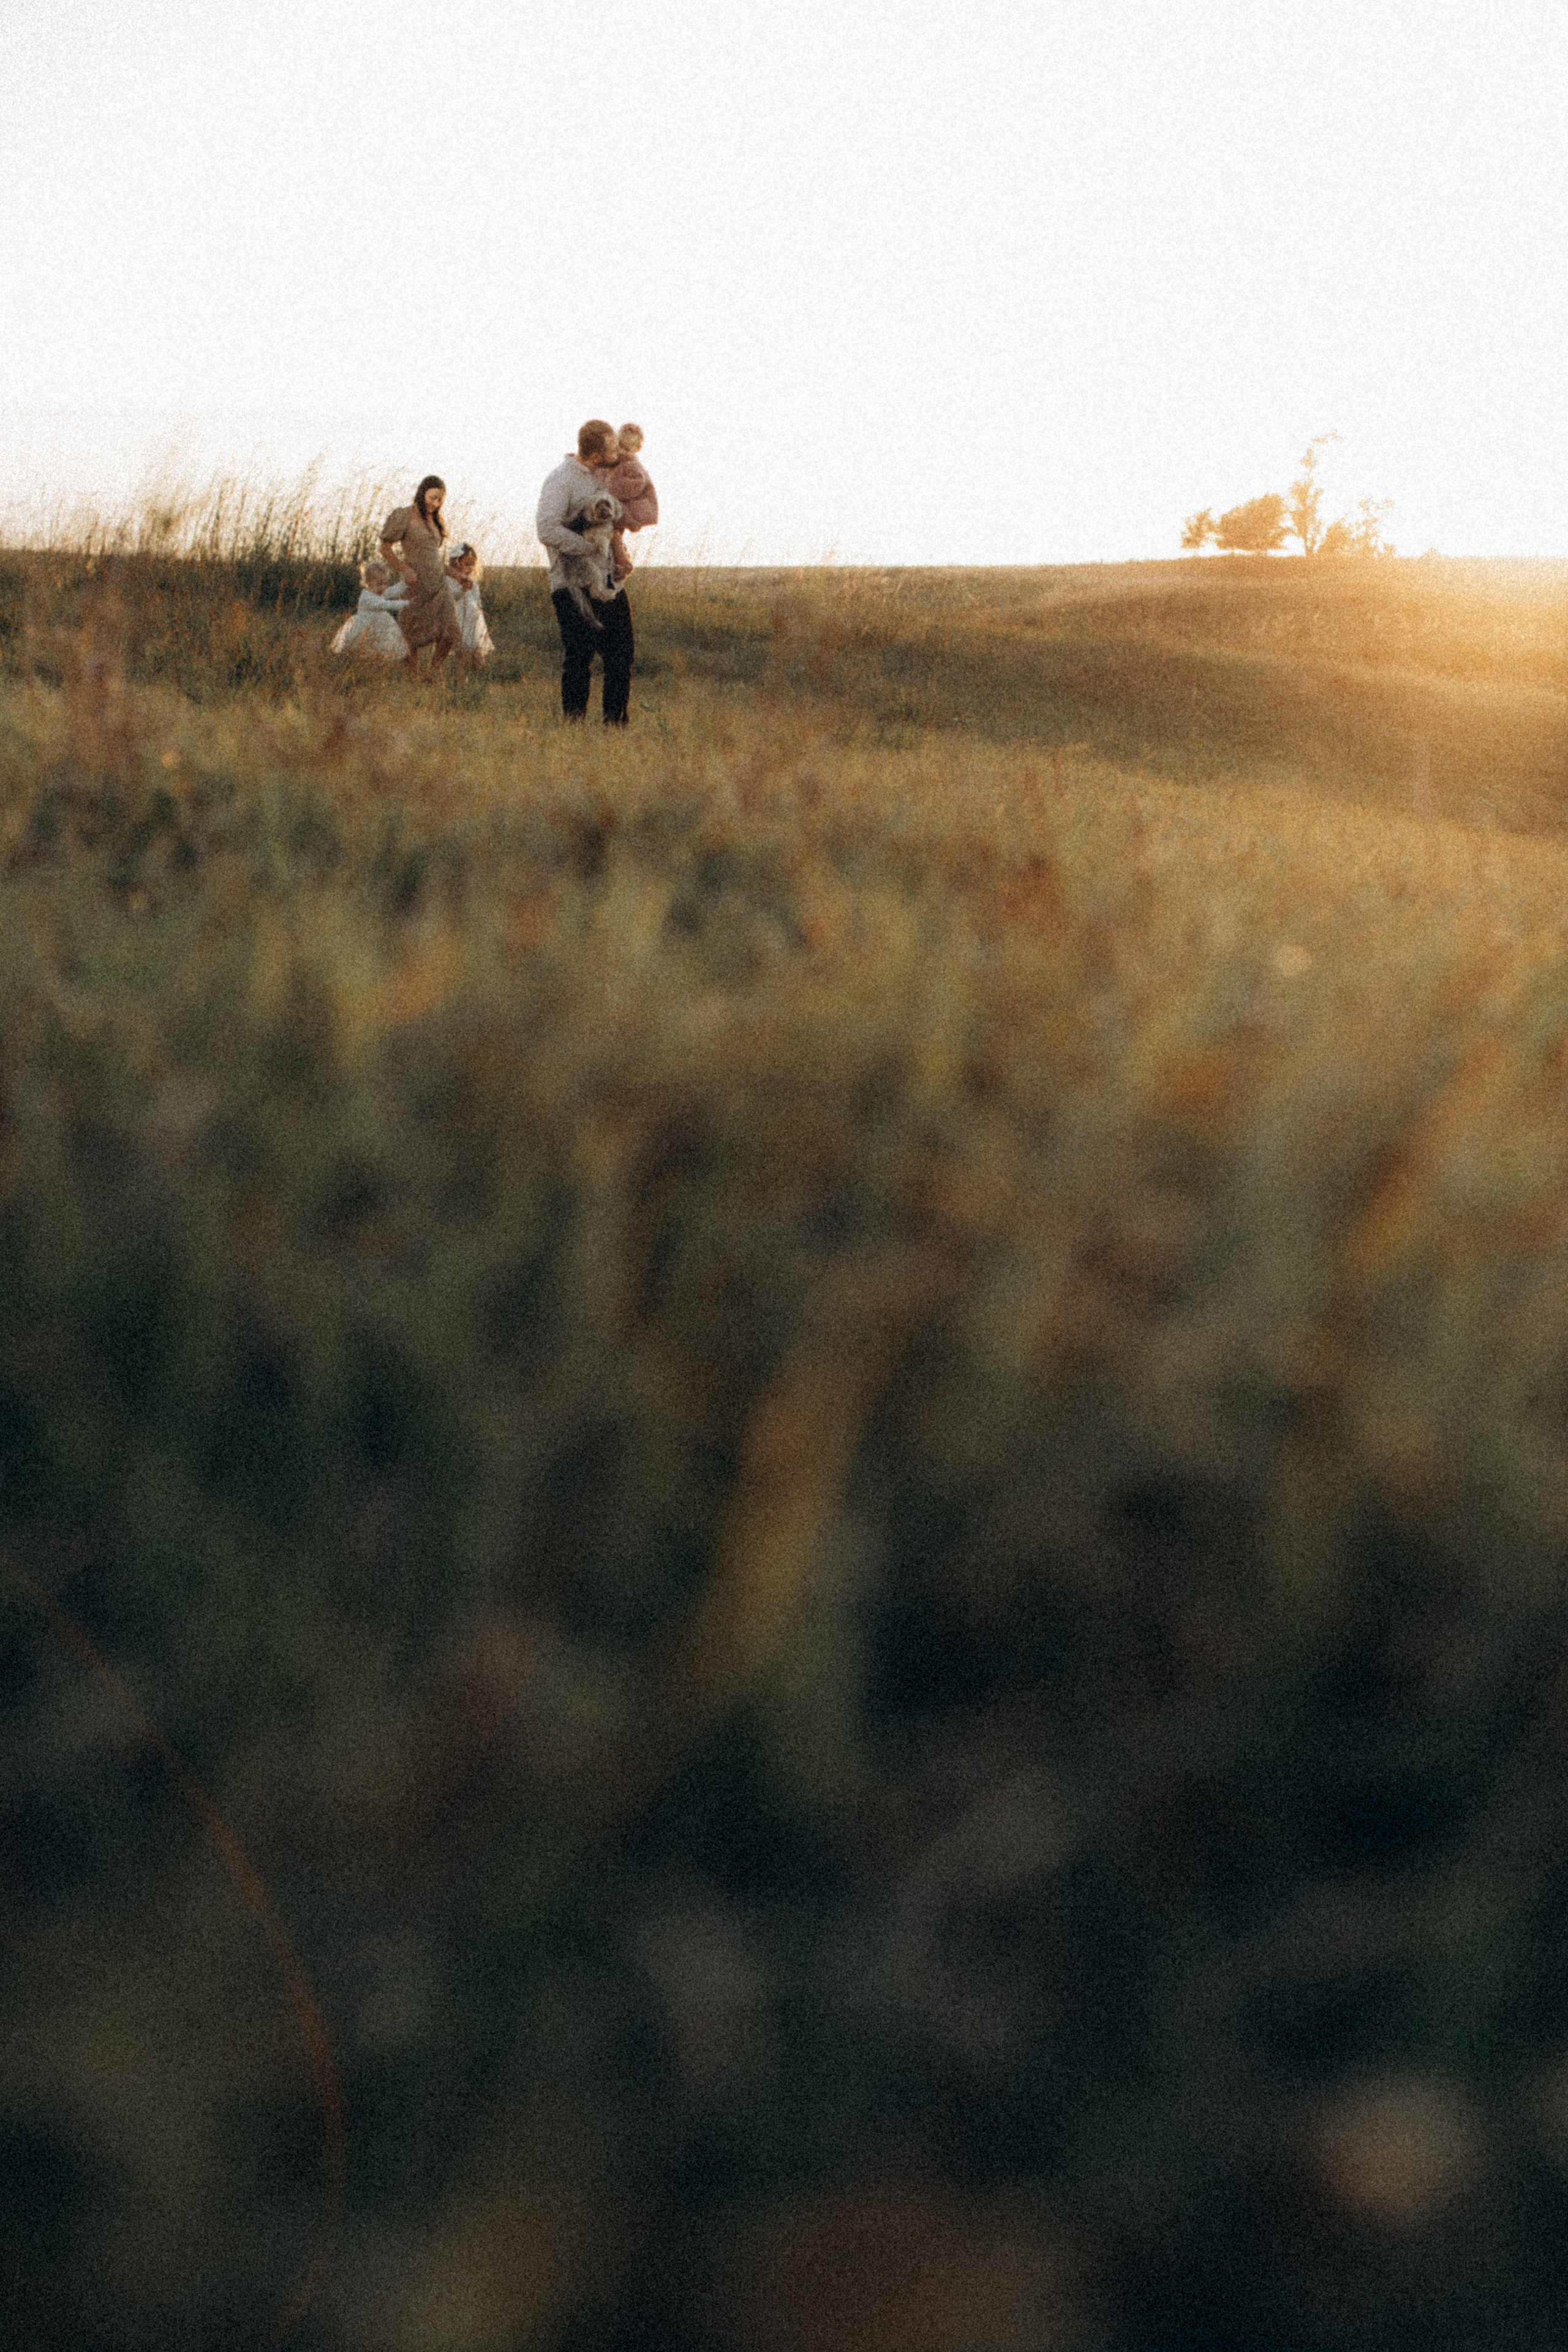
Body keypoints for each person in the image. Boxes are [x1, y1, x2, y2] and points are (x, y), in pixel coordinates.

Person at [536, 421, 635, 724]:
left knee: (622, 655)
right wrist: (588, 548)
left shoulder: (603, 477)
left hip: (608, 581)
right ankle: (573, 728)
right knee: (580, 657)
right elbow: (546, 528)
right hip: (571, 583)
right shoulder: (561, 479)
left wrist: (618, 552)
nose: (617, 451)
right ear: (595, 453)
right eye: (611, 447)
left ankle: (615, 727)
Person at [379, 475, 461, 673]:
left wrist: (459, 576)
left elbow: (435, 559)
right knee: (411, 636)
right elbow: (385, 548)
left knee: (451, 630)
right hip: (415, 584)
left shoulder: (435, 520)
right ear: (422, 492)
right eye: (433, 497)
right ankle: (414, 681)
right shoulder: (404, 515)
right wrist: (404, 569)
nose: (436, 503)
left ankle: (432, 672)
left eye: (440, 500)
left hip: (439, 583)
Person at [605, 422, 658, 582]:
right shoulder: (618, 463)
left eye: (627, 450)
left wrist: (610, 490)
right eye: (620, 446)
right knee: (614, 533)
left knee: (613, 530)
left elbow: (636, 484)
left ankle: (621, 560)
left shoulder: (633, 465)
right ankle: (622, 559)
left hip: (633, 508)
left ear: (638, 450)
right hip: (627, 506)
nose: (622, 452)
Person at [330, 559, 409, 660]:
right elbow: (384, 605)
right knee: (362, 645)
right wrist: (406, 603)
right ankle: (355, 660)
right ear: (368, 582)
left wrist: (405, 584)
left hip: (379, 625)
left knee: (380, 645)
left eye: (385, 583)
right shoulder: (366, 596)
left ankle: (377, 661)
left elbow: (393, 591)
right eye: (379, 584)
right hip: (365, 626)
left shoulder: (380, 592)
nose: (383, 587)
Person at [446, 543, 494, 665]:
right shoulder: (450, 581)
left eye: (473, 564)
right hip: (459, 618)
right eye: (467, 564)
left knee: (477, 652)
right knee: (462, 652)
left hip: (473, 620)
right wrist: (463, 590)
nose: (470, 568)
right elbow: (451, 598)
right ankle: (461, 679)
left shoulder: (473, 582)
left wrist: (480, 614)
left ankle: (476, 675)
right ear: (456, 563)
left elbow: (477, 600)